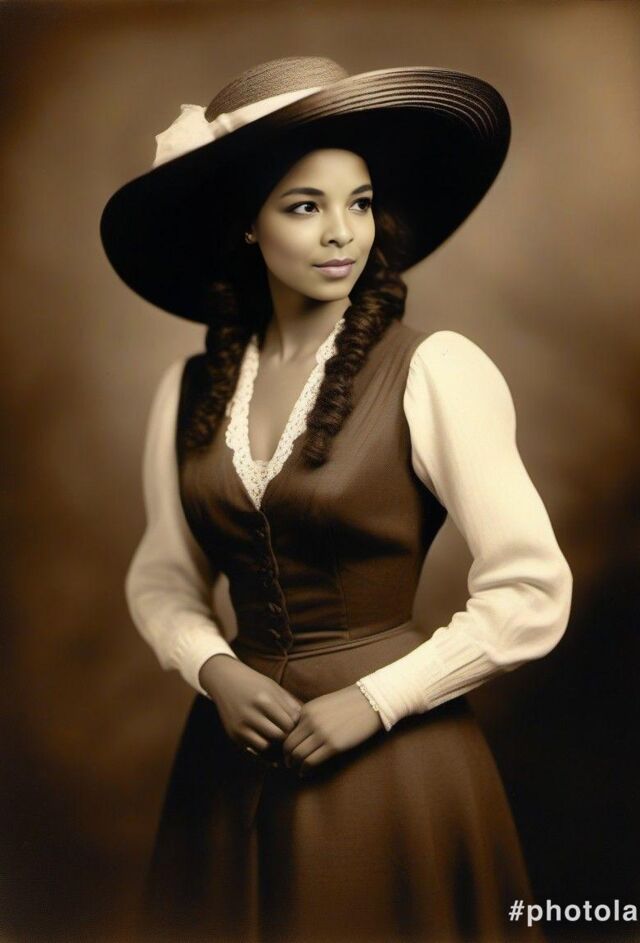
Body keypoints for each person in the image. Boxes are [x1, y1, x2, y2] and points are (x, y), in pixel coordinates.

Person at [100, 56, 573, 943]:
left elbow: (531, 590)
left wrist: (378, 699)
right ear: (248, 224)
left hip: (394, 768)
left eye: (359, 202)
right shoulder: (189, 389)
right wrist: (213, 669)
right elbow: (163, 576)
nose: (341, 234)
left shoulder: (437, 368)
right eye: (304, 206)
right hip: (227, 766)